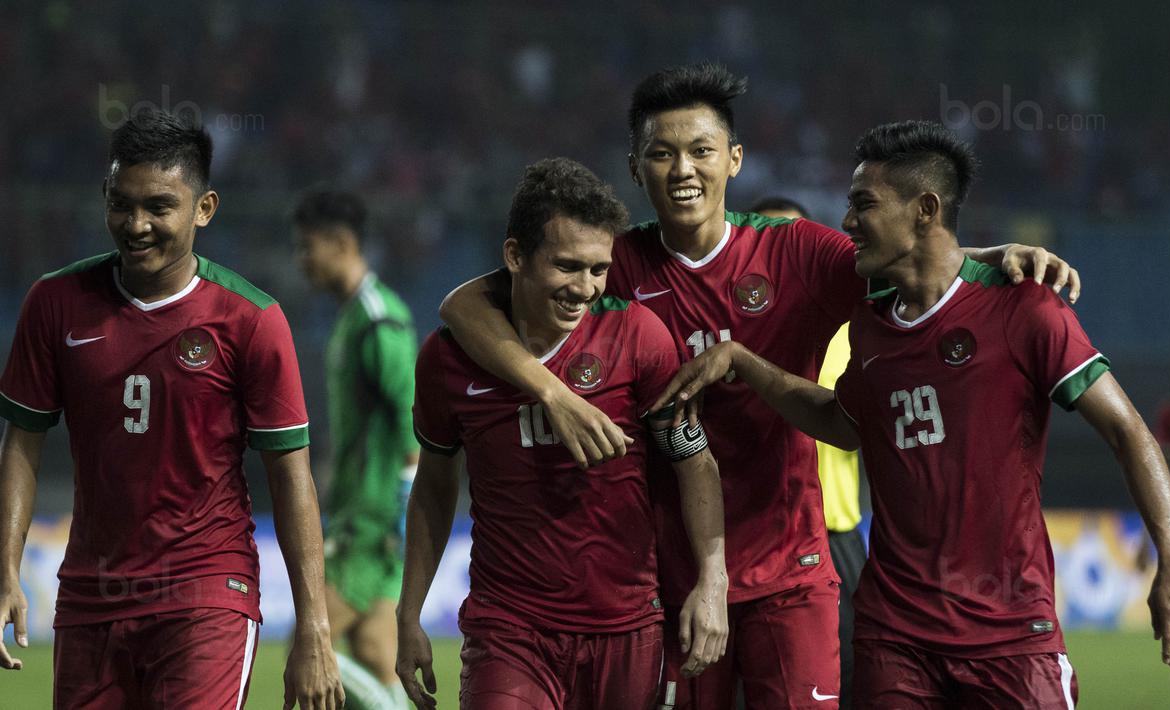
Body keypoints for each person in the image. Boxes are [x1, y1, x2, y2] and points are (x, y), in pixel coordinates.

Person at [437, 64, 1080, 708]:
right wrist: (552, 393)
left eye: (701, 150)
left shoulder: (793, 252)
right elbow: (464, 305)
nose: (683, 170)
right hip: (672, 578)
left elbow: (912, 262)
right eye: (661, 154)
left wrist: (995, 256)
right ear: (635, 168)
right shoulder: (615, 264)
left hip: (790, 571)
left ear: (735, 159)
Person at [653, 120, 1170, 708]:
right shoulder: (870, 325)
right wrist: (743, 360)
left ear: (925, 209)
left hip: (1011, 633)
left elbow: (1127, 432)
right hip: (895, 638)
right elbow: (841, 423)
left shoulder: (1024, 307)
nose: (848, 221)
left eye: (864, 204)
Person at [0, 111, 343, 709]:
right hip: (90, 596)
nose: (136, 225)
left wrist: (313, 626)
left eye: (159, 207)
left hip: (207, 594)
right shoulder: (54, 303)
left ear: (203, 209)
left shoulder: (251, 320)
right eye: (121, 204)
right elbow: (22, 440)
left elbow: (292, 477)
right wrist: (6, 566)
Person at [395, 158, 727, 710]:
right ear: (515, 256)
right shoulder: (447, 359)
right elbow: (434, 485)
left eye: (599, 269)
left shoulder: (638, 337)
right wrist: (409, 612)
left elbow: (693, 462)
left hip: (626, 626)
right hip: (509, 628)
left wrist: (712, 579)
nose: (584, 288)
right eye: (567, 266)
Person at [293, 189, 420, 710]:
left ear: (341, 243)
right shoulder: (352, 316)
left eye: (308, 247)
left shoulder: (377, 318)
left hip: (372, 523)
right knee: (373, 652)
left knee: (309, 650)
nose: (302, 260)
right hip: (360, 515)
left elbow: (414, 420)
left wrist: (404, 512)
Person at [750, 195, 866, 710]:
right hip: (752, 535)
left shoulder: (848, 333)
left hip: (835, 536)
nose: (784, 258)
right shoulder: (729, 334)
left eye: (795, 243)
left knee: (853, 684)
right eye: (771, 242)